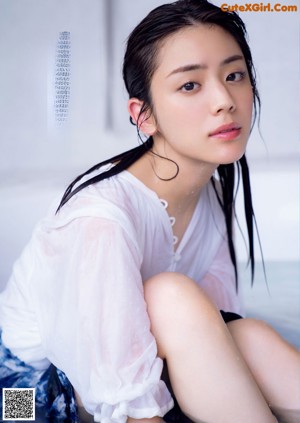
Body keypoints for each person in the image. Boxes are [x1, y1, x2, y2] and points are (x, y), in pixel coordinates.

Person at [0, 0, 299, 422]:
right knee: (170, 298)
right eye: (190, 85)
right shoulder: (100, 220)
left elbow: (218, 338)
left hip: (129, 369)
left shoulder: (209, 195)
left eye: (234, 75)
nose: (224, 100)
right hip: (24, 394)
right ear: (144, 116)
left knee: (245, 334)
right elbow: (125, 404)